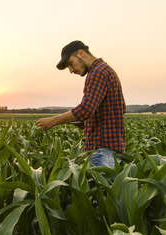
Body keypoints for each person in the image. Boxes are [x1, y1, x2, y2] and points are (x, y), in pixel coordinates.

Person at [37, 40, 126, 169]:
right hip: (108, 150)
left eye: (70, 64)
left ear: (81, 53)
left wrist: (52, 121)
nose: (71, 70)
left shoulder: (97, 73)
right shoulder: (106, 70)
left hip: (102, 150)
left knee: (100, 188)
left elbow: (85, 109)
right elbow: (118, 109)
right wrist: (84, 123)